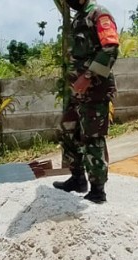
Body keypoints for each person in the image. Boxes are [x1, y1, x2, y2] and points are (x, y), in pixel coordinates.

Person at [52, 0, 119, 203]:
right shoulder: (79, 18)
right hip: (76, 92)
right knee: (68, 130)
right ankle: (77, 178)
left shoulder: (99, 14)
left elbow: (110, 48)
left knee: (92, 137)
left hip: (94, 91)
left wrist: (88, 76)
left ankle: (98, 190)